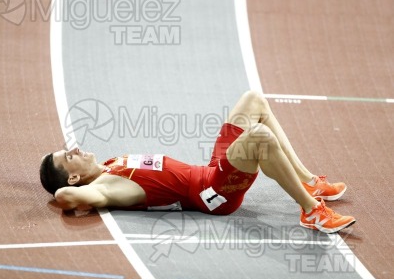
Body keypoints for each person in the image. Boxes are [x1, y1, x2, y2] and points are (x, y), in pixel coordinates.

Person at [40, 91, 355, 233]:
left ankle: (307, 181)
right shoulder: (105, 187)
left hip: (210, 169)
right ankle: (311, 211)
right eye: (69, 158)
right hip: (214, 194)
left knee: (253, 100)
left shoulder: (110, 164)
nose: (76, 150)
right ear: (72, 178)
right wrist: (59, 194)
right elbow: (65, 197)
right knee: (260, 136)